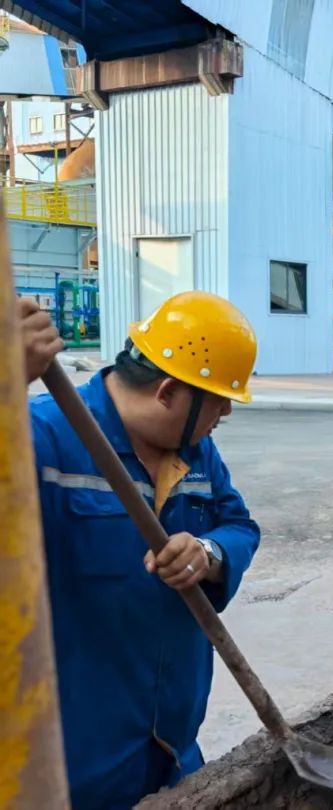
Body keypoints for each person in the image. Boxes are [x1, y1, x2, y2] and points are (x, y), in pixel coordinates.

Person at [25, 291, 262, 810]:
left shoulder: (195, 451)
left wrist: (209, 552)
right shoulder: (41, 436)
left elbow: (238, 525)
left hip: (172, 744)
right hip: (77, 754)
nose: (225, 411)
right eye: (218, 399)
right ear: (168, 391)